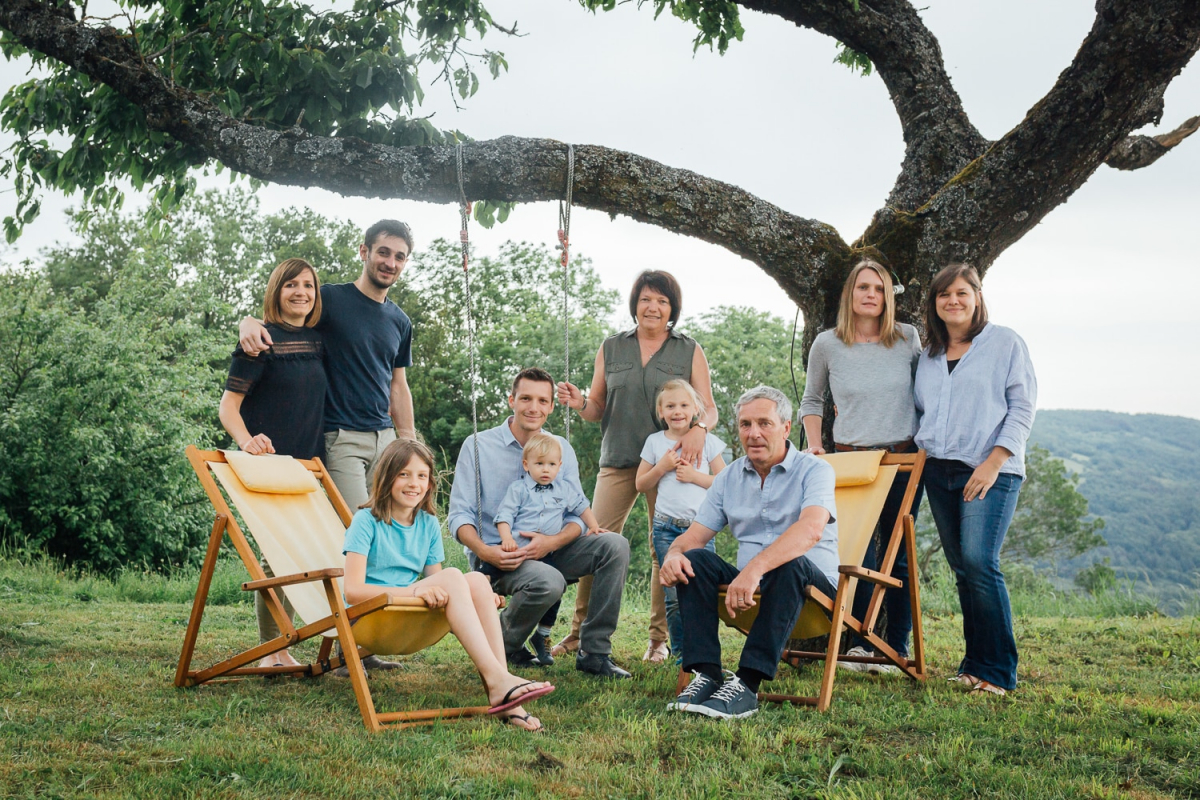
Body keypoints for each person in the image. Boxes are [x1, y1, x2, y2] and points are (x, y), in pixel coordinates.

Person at [555, 270, 719, 664]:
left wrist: (698, 429)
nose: (653, 307)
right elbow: (596, 409)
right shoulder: (611, 347)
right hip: (620, 461)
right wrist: (579, 402)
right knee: (596, 542)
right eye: (646, 299)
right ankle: (578, 633)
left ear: (672, 309)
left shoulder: (689, 349)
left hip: (673, 465)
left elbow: (709, 407)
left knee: (665, 549)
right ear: (635, 304)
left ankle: (658, 640)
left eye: (662, 301)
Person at [342, 438, 554, 732]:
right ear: (387, 476)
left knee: (478, 581)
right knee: (458, 578)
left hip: (408, 620)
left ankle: (505, 695)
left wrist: (474, 599)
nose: (413, 483)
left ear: (429, 483)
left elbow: (440, 585)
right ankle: (499, 683)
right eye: (403, 474)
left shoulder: (427, 524)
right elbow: (352, 591)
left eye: (421, 475)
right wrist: (416, 590)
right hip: (370, 621)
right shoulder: (365, 521)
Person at [661, 386, 839, 720]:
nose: (753, 433)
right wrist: (674, 555)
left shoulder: (816, 471)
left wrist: (756, 568)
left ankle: (746, 684)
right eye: (745, 424)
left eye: (764, 423)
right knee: (694, 561)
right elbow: (692, 538)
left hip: (813, 595)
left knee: (789, 563)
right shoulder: (727, 478)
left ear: (786, 428)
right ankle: (706, 674)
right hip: (751, 594)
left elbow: (811, 529)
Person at [448, 368, 633, 678]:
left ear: (550, 406)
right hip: (503, 554)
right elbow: (459, 515)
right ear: (512, 400)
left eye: (542, 401)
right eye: (525, 398)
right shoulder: (478, 446)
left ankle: (594, 652)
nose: (533, 407)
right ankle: (502, 643)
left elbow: (575, 514)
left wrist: (552, 542)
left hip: (554, 547)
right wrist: (486, 551)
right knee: (549, 580)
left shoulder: (560, 448)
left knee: (615, 545)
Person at [915, 263, 1036, 698]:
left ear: (977, 297)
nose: (953, 301)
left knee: (981, 562)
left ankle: (999, 670)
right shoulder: (928, 355)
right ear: (935, 303)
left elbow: (1022, 408)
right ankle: (974, 664)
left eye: (962, 293)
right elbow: (922, 412)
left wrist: (993, 462)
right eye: (944, 295)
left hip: (991, 469)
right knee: (963, 569)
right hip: (938, 469)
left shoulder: (1004, 343)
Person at [239, 220, 417, 511]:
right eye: (383, 252)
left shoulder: (400, 321)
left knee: (388, 524)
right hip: (341, 438)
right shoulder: (331, 299)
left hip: (385, 439)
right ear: (364, 251)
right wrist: (248, 322)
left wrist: (407, 441)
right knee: (355, 526)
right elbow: (286, 323)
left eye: (399, 256)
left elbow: (398, 385)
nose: (390, 262)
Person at [799, 258, 924, 674]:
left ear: (888, 296)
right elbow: (812, 400)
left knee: (898, 553)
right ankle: (855, 644)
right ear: (849, 294)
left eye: (879, 288)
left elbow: (926, 395)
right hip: (850, 460)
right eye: (863, 287)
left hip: (902, 459)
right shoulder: (827, 343)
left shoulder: (908, 338)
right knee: (852, 550)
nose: (871, 295)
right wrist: (815, 446)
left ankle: (895, 647)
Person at [218, 257, 326, 671]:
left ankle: (286, 643)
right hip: (270, 462)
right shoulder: (258, 342)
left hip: (310, 463)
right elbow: (228, 407)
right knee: (276, 555)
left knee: (306, 553)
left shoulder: (318, 341)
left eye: (309, 286)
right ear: (275, 291)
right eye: (291, 285)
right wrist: (246, 442)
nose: (301, 292)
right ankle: (272, 650)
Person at [491, 433, 607, 664]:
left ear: (559, 466)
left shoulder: (563, 489)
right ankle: (486, 607)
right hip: (517, 551)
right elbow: (504, 516)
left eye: (552, 464)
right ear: (526, 465)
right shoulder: (519, 489)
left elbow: (581, 506)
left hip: (547, 553)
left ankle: (542, 635)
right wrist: (506, 539)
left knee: (557, 587)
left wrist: (594, 526)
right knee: (489, 574)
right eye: (539, 464)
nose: (546, 470)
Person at [634, 379, 725, 664]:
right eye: (670, 406)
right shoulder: (655, 442)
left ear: (696, 409)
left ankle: (704, 652)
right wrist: (662, 467)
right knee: (672, 594)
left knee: (701, 591)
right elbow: (640, 484)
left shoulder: (708, 442)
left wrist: (696, 477)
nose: (677, 411)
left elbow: (724, 484)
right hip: (665, 529)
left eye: (684, 405)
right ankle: (683, 654)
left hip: (699, 530)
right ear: (661, 411)